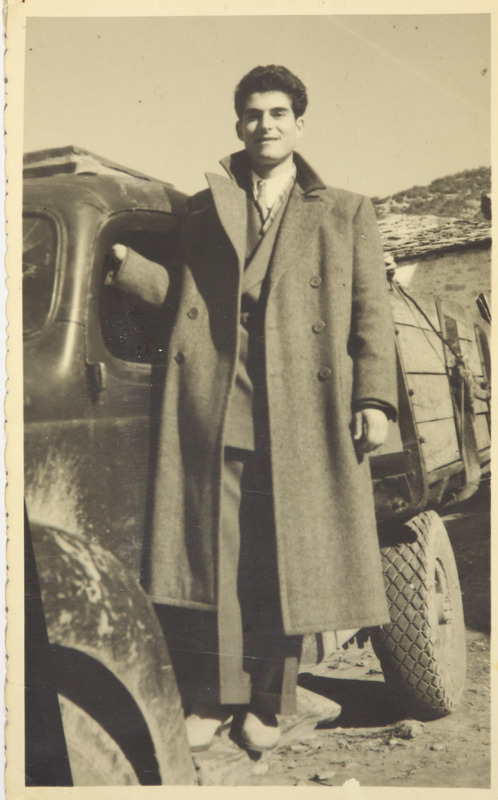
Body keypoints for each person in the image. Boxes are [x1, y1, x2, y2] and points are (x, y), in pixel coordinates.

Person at [108, 65, 397, 753]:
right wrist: (128, 269)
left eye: (278, 113)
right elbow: (186, 300)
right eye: (252, 113)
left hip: (305, 408)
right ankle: (214, 700)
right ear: (237, 123)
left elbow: (370, 312)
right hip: (217, 401)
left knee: (285, 559)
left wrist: (374, 397)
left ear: (299, 123)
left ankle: (269, 701)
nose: (265, 125)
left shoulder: (347, 210)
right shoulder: (204, 207)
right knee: (216, 557)